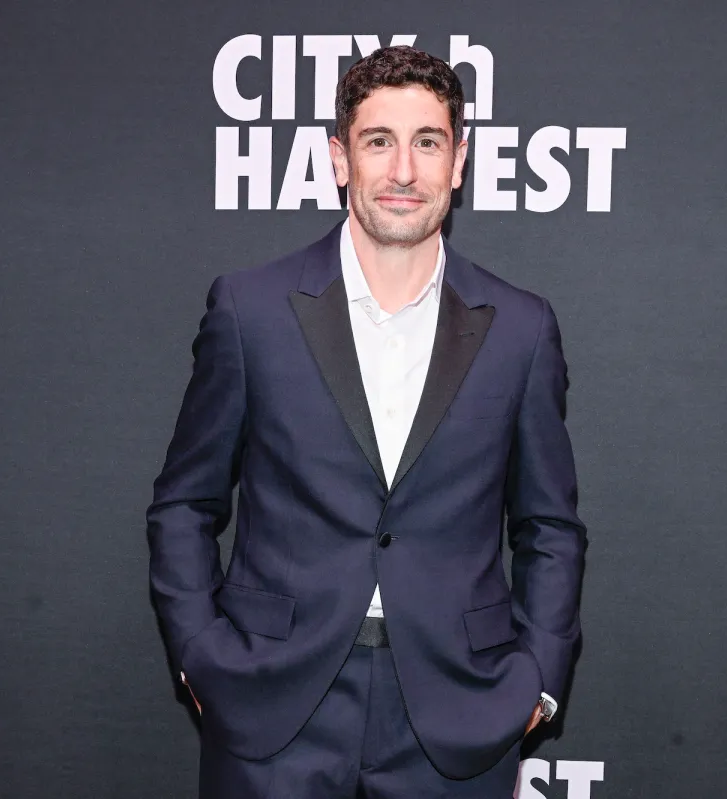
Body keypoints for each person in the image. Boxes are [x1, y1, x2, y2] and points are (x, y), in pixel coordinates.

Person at [146, 45, 587, 799]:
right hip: (273, 705)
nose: (404, 170)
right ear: (339, 158)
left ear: (459, 161)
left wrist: (536, 681)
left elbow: (549, 526)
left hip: (458, 711)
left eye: (428, 142)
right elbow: (186, 503)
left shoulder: (521, 327)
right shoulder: (251, 310)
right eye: (379, 141)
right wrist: (201, 655)